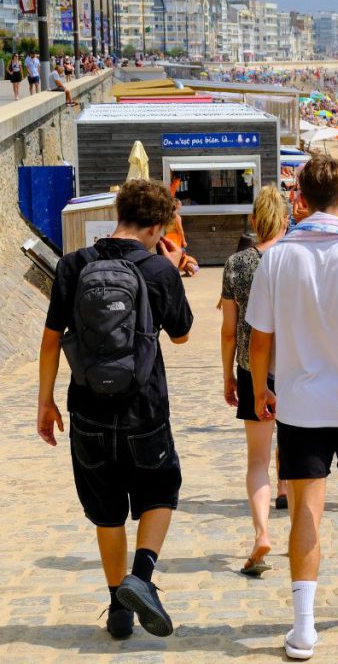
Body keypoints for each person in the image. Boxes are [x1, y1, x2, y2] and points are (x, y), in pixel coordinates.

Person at [246, 154, 338, 660]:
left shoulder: (277, 257)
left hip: (300, 405)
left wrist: (260, 387)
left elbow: (259, 338)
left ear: (300, 199)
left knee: (305, 510)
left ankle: (304, 628)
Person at [36, 180, 193, 640]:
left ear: (118, 214)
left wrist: (45, 402)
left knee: (106, 510)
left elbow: (50, 341)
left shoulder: (73, 265)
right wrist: (172, 267)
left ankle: (119, 611)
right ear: (159, 226)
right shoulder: (158, 269)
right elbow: (181, 335)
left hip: (87, 408)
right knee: (162, 491)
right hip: (144, 407)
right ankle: (140, 580)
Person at [221, 186, 289, 576]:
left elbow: (229, 330)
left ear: (253, 221)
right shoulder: (295, 259)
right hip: (296, 368)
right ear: (285, 220)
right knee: (297, 454)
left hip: (252, 368)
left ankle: (262, 531)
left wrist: (227, 375)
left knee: (258, 460)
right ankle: (300, 529)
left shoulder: (236, 264)